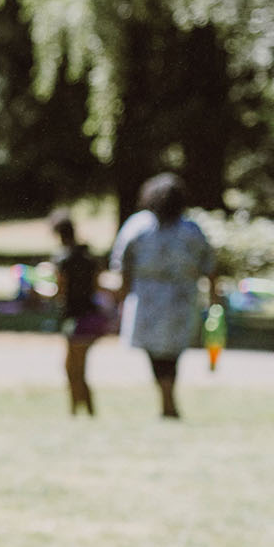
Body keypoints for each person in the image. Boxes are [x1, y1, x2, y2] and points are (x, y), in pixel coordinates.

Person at [108, 173, 217, 420]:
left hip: (148, 299)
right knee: (171, 354)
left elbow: (122, 264)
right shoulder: (190, 229)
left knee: (157, 353)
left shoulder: (138, 226)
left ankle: (167, 400)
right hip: (181, 299)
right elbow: (210, 266)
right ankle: (168, 400)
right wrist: (214, 299)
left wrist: (121, 300)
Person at [49, 209, 109, 417]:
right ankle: (81, 411)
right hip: (92, 316)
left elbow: (61, 291)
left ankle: (81, 412)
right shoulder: (88, 255)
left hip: (75, 318)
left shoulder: (63, 259)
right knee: (76, 368)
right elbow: (97, 285)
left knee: (74, 370)